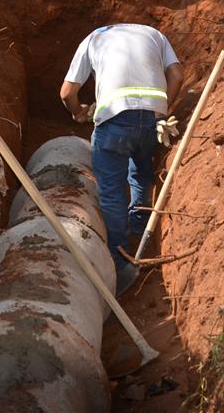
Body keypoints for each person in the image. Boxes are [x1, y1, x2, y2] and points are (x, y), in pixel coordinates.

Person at [60, 23, 184, 295]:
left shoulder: (93, 38)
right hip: (151, 118)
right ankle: (139, 226)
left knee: (111, 191)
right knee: (140, 169)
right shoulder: (155, 34)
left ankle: (119, 257)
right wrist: (162, 110)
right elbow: (176, 75)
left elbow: (67, 92)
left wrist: (77, 112)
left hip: (114, 120)